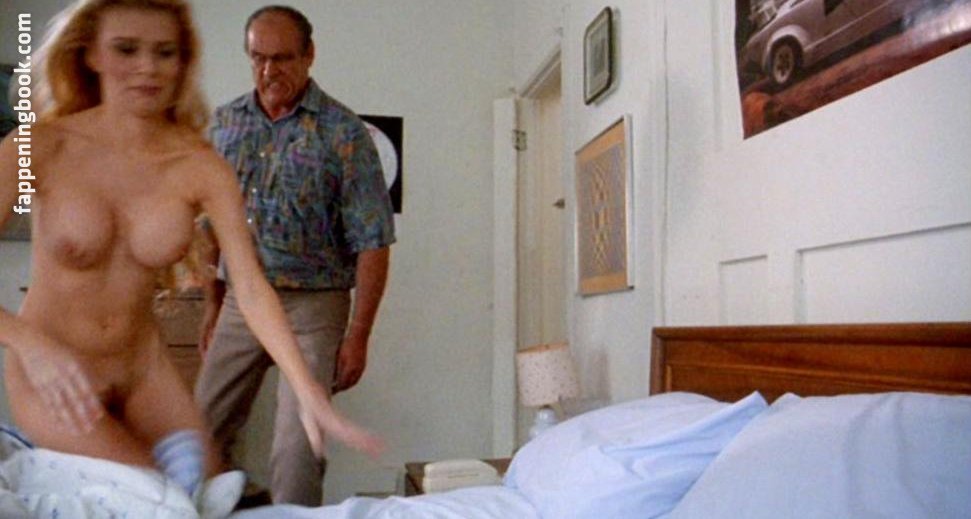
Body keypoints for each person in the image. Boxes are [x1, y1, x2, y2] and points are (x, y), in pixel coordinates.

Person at [0, 0, 382, 497]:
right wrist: (29, 344)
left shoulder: (200, 164)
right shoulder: (37, 146)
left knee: (209, 493)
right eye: (126, 49)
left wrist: (311, 393)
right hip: (54, 370)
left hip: (144, 371)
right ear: (91, 53)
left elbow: (251, 285)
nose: (147, 67)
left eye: (164, 52)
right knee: (152, 500)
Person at [193, 5, 396, 506]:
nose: (269, 71)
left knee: (298, 445)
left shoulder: (344, 133)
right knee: (200, 428)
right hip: (241, 301)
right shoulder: (225, 125)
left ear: (309, 55)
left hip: (316, 307)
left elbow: (373, 240)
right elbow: (210, 224)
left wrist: (358, 335)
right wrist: (212, 305)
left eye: (282, 58)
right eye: (258, 58)